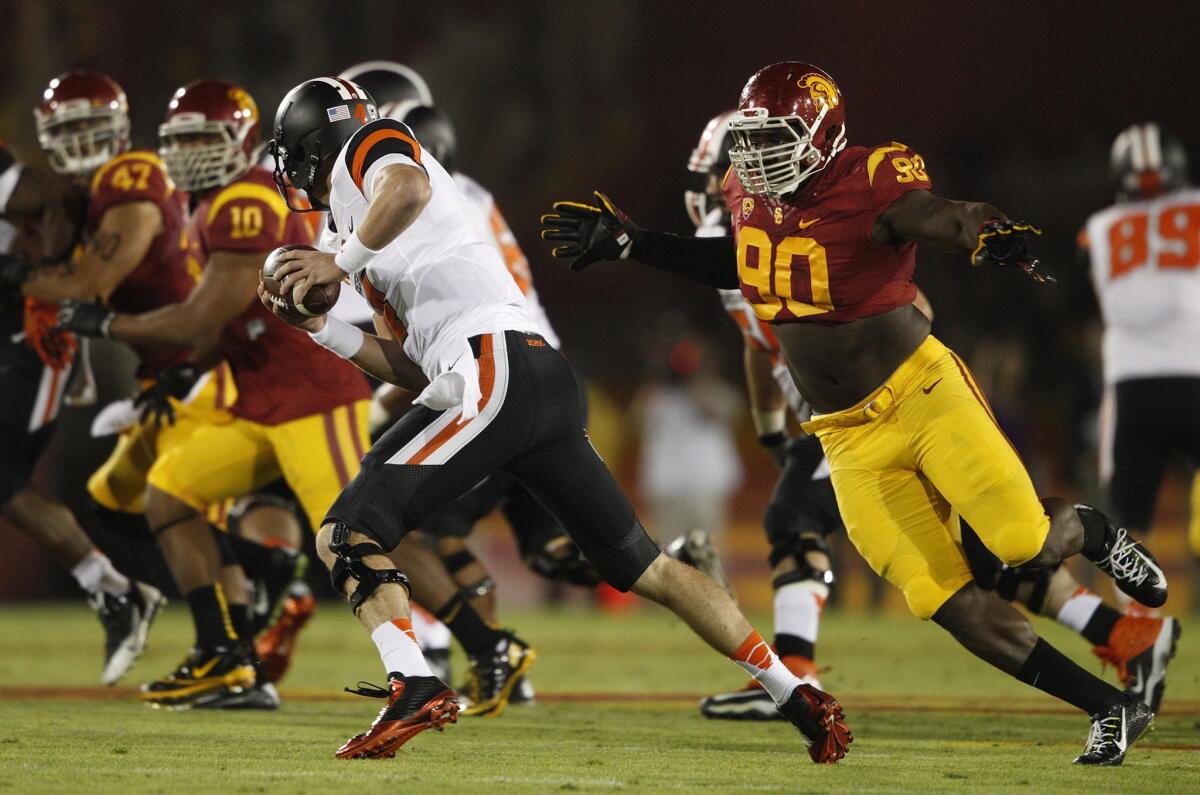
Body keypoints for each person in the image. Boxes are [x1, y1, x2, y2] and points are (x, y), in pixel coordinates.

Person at [540, 62, 1168, 766]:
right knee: (943, 598)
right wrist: (636, 243)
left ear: (822, 132)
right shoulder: (747, 190)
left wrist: (982, 232)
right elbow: (740, 261)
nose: (754, 156)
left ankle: (1093, 529)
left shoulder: (870, 177)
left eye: (774, 137)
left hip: (921, 393)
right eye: (750, 139)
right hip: (843, 433)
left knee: (1020, 542)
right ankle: (1109, 705)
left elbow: (943, 214)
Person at [262, 75, 851, 763]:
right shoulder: (351, 228)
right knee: (650, 568)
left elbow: (409, 188)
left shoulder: (371, 149)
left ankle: (416, 680)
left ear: (309, 144)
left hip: (495, 367)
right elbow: (419, 365)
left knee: (345, 531)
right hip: (524, 375)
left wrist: (338, 259)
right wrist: (323, 329)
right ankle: (795, 691)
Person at [682, 109, 1180, 719]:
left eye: (740, 160)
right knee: (963, 576)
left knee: (1004, 540)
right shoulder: (744, 230)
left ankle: (796, 671)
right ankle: (1121, 651)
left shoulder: (832, 200)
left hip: (907, 397)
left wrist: (885, 340)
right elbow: (755, 344)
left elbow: (917, 282)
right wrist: (769, 428)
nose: (733, 176)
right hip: (837, 427)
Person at [57, 78, 373, 708]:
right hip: (251, 387)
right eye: (182, 140)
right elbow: (222, 320)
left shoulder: (243, 200)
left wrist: (108, 325)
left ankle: (466, 645)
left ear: (242, 141)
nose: (192, 152)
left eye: (205, 137)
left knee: (360, 535)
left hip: (310, 385)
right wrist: (182, 371)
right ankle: (227, 651)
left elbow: (203, 315)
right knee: (165, 495)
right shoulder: (208, 201)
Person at [0, 120, 164, 686]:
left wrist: (26, 269)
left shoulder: (24, 185)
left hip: (28, 333)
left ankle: (116, 592)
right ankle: (116, 592)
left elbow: (52, 192)